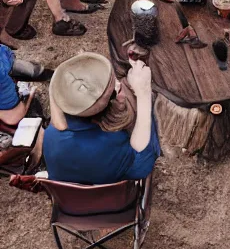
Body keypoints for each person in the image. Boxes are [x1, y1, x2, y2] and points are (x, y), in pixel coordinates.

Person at [43, 53, 160, 184]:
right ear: (100, 113)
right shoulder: (112, 142)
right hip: (112, 201)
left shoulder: (50, 135)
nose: (118, 84)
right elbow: (143, 166)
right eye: (114, 91)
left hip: (68, 200)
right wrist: (143, 93)